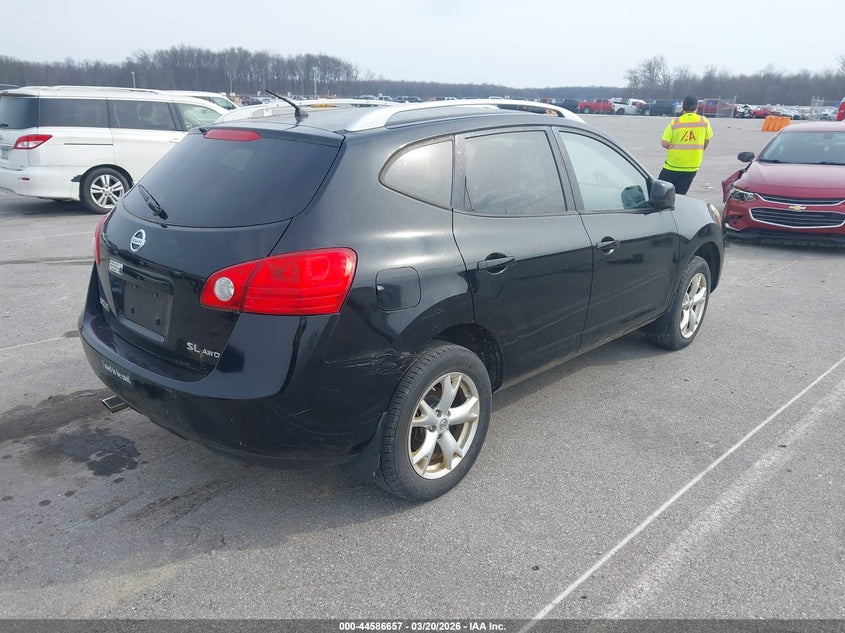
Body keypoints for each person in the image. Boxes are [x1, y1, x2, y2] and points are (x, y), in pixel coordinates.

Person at [658, 95, 713, 195]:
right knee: (679, 196)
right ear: (696, 107)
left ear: (683, 107)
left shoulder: (675, 122)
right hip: (692, 166)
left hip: (672, 165)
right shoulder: (704, 121)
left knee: (661, 193)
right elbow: (706, 141)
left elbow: (664, 143)